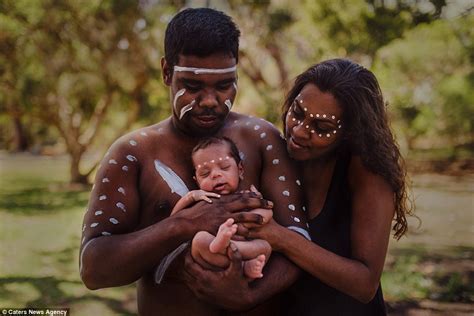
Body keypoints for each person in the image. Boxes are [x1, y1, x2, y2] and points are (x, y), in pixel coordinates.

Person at [79, 7, 310, 315]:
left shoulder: (262, 139)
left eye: (224, 84)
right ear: (166, 73)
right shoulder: (132, 153)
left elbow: (302, 243)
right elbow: (94, 269)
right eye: (193, 86)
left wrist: (248, 296)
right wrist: (183, 224)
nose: (211, 101)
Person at [234, 59, 411, 315]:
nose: (300, 131)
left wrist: (282, 238)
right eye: (297, 113)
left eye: (321, 127)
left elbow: (365, 284)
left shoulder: (367, 173)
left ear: (349, 132)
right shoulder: (275, 158)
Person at [170, 136, 272, 279]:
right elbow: (174, 218)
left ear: (240, 169)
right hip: (211, 255)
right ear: (197, 180)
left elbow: (267, 213)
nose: (216, 175)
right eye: (205, 173)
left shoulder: (246, 197)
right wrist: (191, 197)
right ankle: (228, 251)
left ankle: (243, 265)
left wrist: (255, 213)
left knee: (265, 246)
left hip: (242, 250)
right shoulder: (203, 199)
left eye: (224, 167)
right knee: (200, 239)